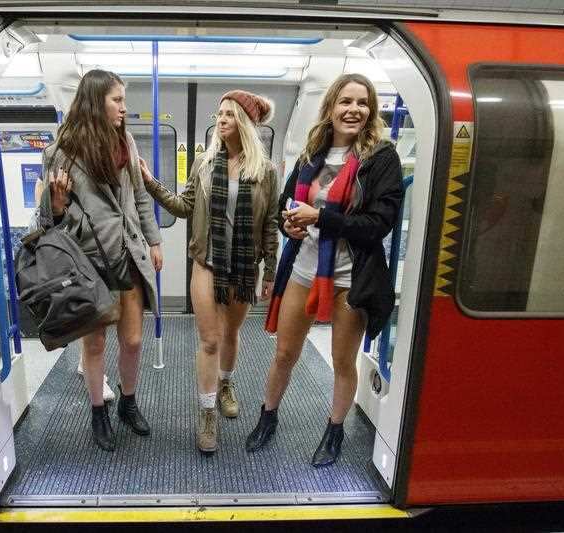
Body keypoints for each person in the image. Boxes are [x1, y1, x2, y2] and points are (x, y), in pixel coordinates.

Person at [245, 73, 403, 467]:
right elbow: (286, 204)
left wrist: (322, 217)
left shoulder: (381, 158)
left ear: (371, 111)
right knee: (284, 352)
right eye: (345, 102)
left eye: (362, 103)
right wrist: (289, 223)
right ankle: (268, 416)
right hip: (304, 267)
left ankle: (334, 431)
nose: (354, 110)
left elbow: (379, 224)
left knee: (343, 361)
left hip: (352, 276)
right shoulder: (310, 155)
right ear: (331, 107)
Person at [139, 90, 279, 454]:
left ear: (245, 123)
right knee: (210, 340)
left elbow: (270, 224)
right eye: (219, 114)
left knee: (231, 333)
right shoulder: (204, 163)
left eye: (230, 114)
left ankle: (226, 384)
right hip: (206, 263)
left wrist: (270, 273)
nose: (221, 119)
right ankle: (207, 414)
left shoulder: (266, 172)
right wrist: (151, 182)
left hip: (244, 267)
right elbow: (184, 206)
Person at [33, 69, 163, 451]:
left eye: (124, 99)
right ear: (96, 101)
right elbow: (48, 219)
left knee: (134, 340)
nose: (124, 107)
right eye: (117, 100)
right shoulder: (60, 152)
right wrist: (56, 205)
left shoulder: (126, 141)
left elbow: (139, 197)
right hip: (88, 260)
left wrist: (154, 240)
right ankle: (97, 411)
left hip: (129, 253)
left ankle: (127, 401)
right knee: (93, 345)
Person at [34, 171, 115, 403]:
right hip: (74, 247)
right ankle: (90, 369)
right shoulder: (54, 164)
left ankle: (86, 362)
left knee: (99, 313)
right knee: (90, 311)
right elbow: (44, 213)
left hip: (101, 247)